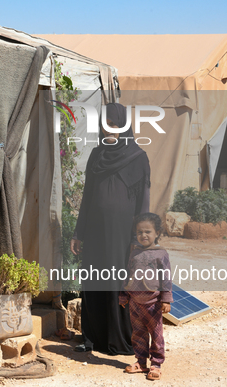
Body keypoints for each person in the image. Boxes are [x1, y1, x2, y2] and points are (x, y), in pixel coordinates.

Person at [70, 103, 151, 355]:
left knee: (118, 283)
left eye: (115, 125)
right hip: (94, 232)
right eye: (106, 125)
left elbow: (143, 202)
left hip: (121, 235)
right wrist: (78, 233)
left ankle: (119, 340)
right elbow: (87, 197)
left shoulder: (138, 158)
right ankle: (92, 338)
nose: (109, 130)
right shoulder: (96, 155)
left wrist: (140, 240)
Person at [119, 212, 172, 381]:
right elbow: (127, 275)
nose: (143, 235)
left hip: (153, 303)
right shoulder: (134, 253)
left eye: (148, 231)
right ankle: (141, 362)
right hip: (135, 302)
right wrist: (123, 295)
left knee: (156, 335)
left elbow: (166, 278)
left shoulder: (161, 254)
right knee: (138, 334)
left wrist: (166, 299)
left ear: (157, 233)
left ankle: (156, 364)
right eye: (140, 232)